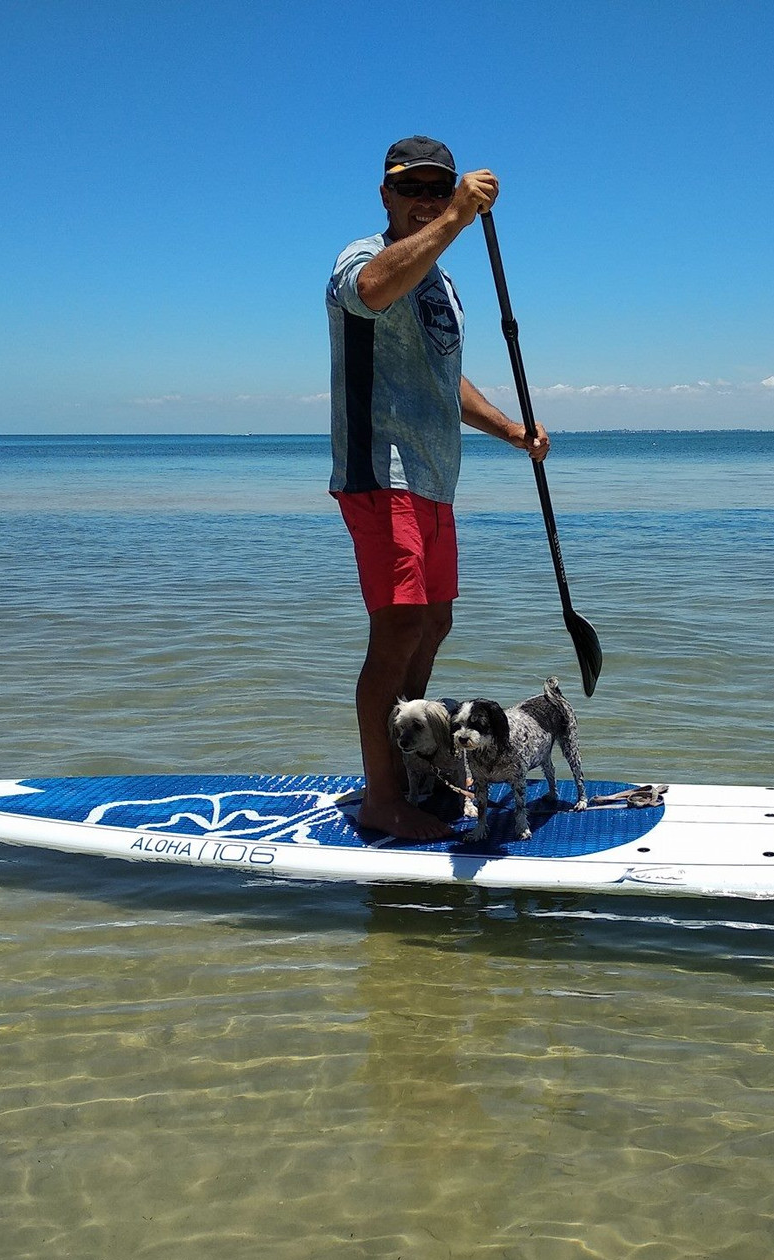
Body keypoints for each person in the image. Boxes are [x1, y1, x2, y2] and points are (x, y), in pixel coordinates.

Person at [326, 135, 550, 841]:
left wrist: (513, 431)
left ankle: (419, 769)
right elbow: (371, 293)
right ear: (385, 195)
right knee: (395, 633)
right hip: (380, 473)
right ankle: (381, 797)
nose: (425, 200)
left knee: (435, 623)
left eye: (438, 188)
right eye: (412, 189)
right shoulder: (361, 260)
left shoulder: (443, 286)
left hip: (434, 480)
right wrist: (454, 218)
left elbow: (444, 383)